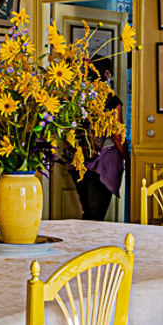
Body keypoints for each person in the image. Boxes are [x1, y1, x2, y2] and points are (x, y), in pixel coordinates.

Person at [69, 62, 127, 221]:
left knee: (89, 211)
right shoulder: (111, 101)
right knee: (96, 214)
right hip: (102, 165)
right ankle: (90, 245)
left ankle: (84, 243)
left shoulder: (78, 98)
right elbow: (117, 135)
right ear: (107, 74)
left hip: (79, 161)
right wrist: (128, 158)